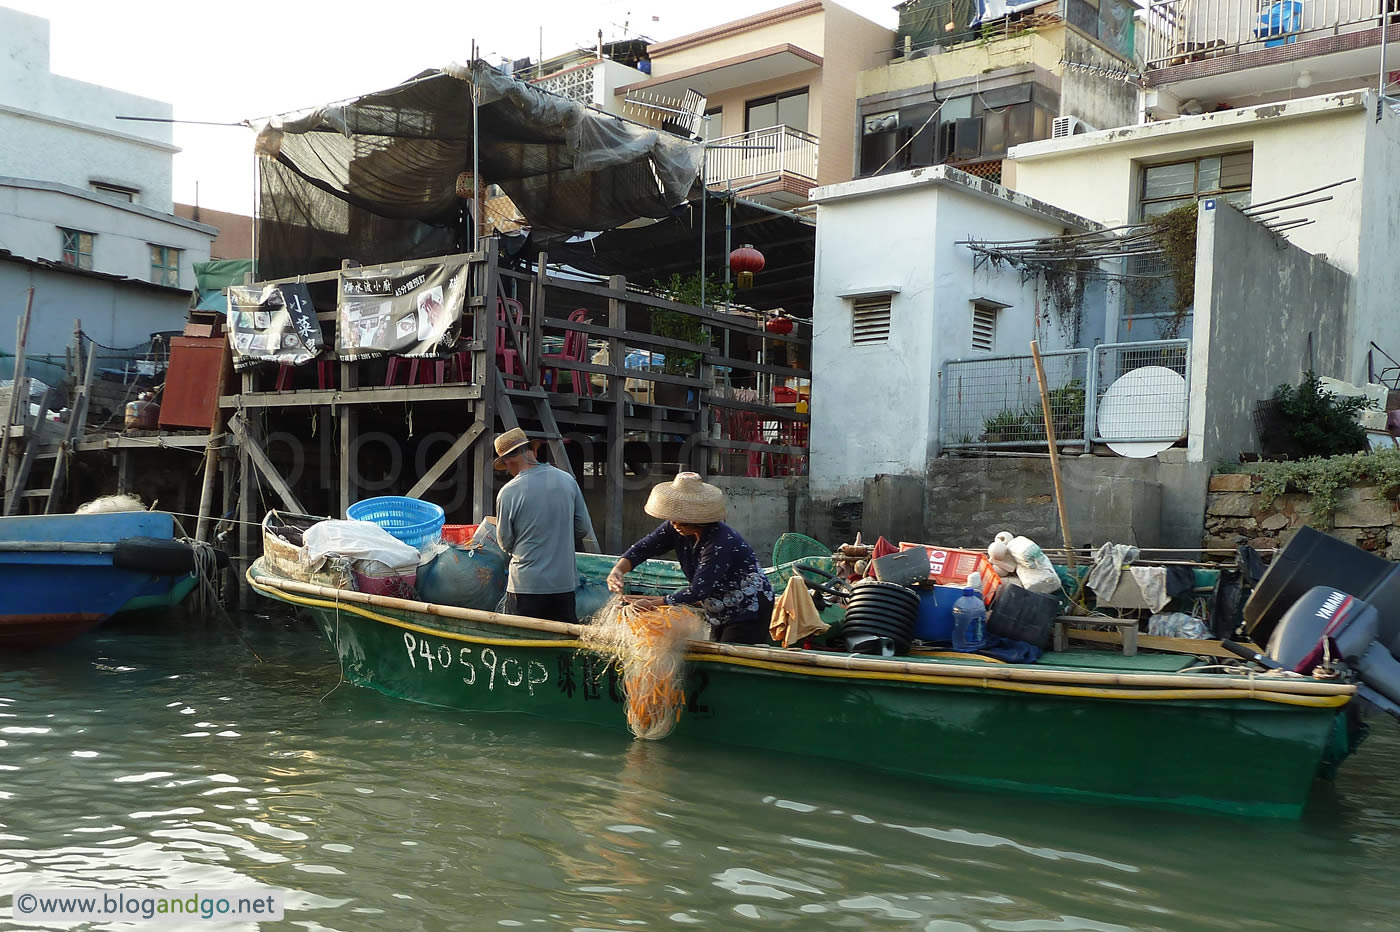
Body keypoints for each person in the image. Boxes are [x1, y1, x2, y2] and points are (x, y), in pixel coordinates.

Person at [606, 473, 774, 644]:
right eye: (673, 520)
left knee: (732, 657)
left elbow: (698, 591)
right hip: (717, 606)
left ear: (699, 519)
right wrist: (618, 570)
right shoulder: (675, 527)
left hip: (748, 607)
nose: (676, 525)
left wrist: (651, 604)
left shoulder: (719, 542)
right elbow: (644, 548)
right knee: (715, 649)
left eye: (683, 522)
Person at [494, 428, 597, 624]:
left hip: (525, 585)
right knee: (562, 644)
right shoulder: (567, 480)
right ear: (534, 451)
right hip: (564, 584)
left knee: (521, 644)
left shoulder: (508, 493)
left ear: (508, 461)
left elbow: (505, 542)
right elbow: (582, 527)